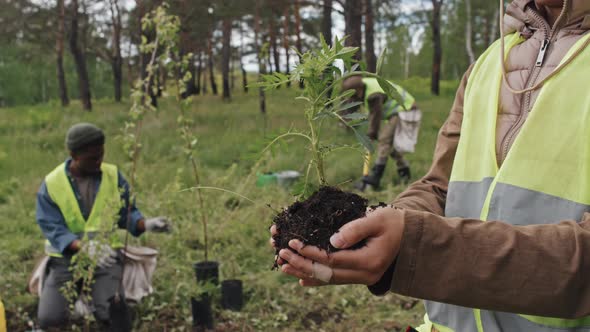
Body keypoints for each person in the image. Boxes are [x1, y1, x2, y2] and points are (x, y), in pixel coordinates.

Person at [272, 0, 590, 331]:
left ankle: (382, 169)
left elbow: (378, 115)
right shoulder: (488, 64)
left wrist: (417, 247)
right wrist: (385, 222)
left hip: (403, 112)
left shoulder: (371, 89)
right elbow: (441, 187)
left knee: (386, 146)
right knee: (390, 149)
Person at [36, 123, 171, 329]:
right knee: (50, 319)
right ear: (73, 155)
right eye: (92, 158)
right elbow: (51, 226)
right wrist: (82, 247)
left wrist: (146, 224)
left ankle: (99, 303)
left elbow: (126, 213)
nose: (99, 161)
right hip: (66, 261)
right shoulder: (53, 184)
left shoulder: (113, 176)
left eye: (101, 155)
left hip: (105, 258)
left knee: (112, 315)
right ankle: (79, 301)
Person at [341, 76, 420, 190]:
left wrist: (371, 134)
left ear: (358, 90)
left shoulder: (373, 95)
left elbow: (376, 115)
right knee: (391, 147)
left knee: (384, 139)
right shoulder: (363, 87)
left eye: (352, 95)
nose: (352, 98)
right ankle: (405, 175)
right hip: (398, 112)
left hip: (406, 109)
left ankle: (375, 178)